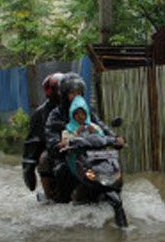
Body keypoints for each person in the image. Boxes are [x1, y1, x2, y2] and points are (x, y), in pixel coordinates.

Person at [44, 73, 123, 203]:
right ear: (64, 95)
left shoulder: (88, 111)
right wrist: (59, 143)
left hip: (92, 155)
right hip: (70, 156)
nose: (76, 97)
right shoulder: (56, 115)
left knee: (112, 166)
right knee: (61, 170)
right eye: (72, 94)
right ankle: (62, 203)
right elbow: (51, 135)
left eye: (79, 93)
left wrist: (116, 138)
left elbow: (101, 126)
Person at [21, 73, 63, 197]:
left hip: (78, 145)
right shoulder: (41, 113)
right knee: (44, 159)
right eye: (59, 89)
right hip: (54, 149)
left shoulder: (79, 107)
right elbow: (32, 142)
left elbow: (95, 124)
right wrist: (28, 168)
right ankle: (49, 195)